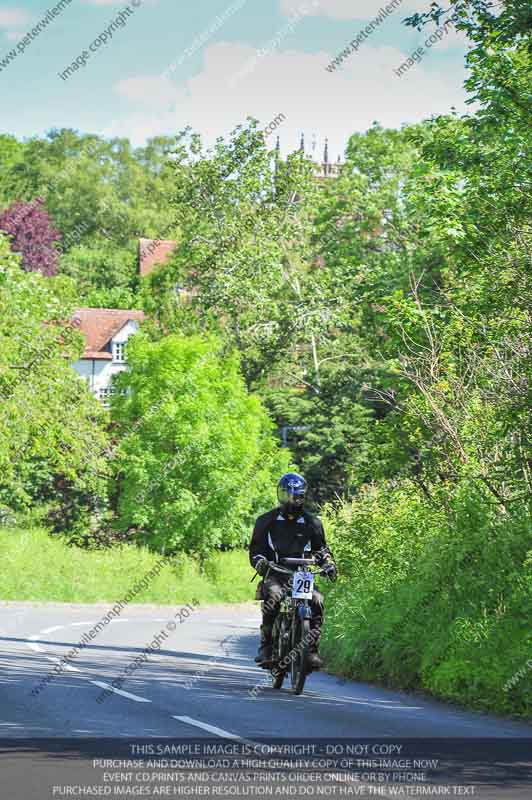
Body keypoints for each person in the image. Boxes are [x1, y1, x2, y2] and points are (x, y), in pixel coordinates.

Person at [249, 472, 337, 670]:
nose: (292, 500)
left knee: (317, 601)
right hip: (275, 572)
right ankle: (266, 646)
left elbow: (321, 549)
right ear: (280, 494)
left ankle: (311, 651)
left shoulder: (313, 523)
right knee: (274, 597)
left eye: (297, 496)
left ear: (303, 496)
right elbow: (256, 550)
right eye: (288, 495)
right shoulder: (266, 521)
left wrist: (328, 563)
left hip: (302, 574)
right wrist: (260, 562)